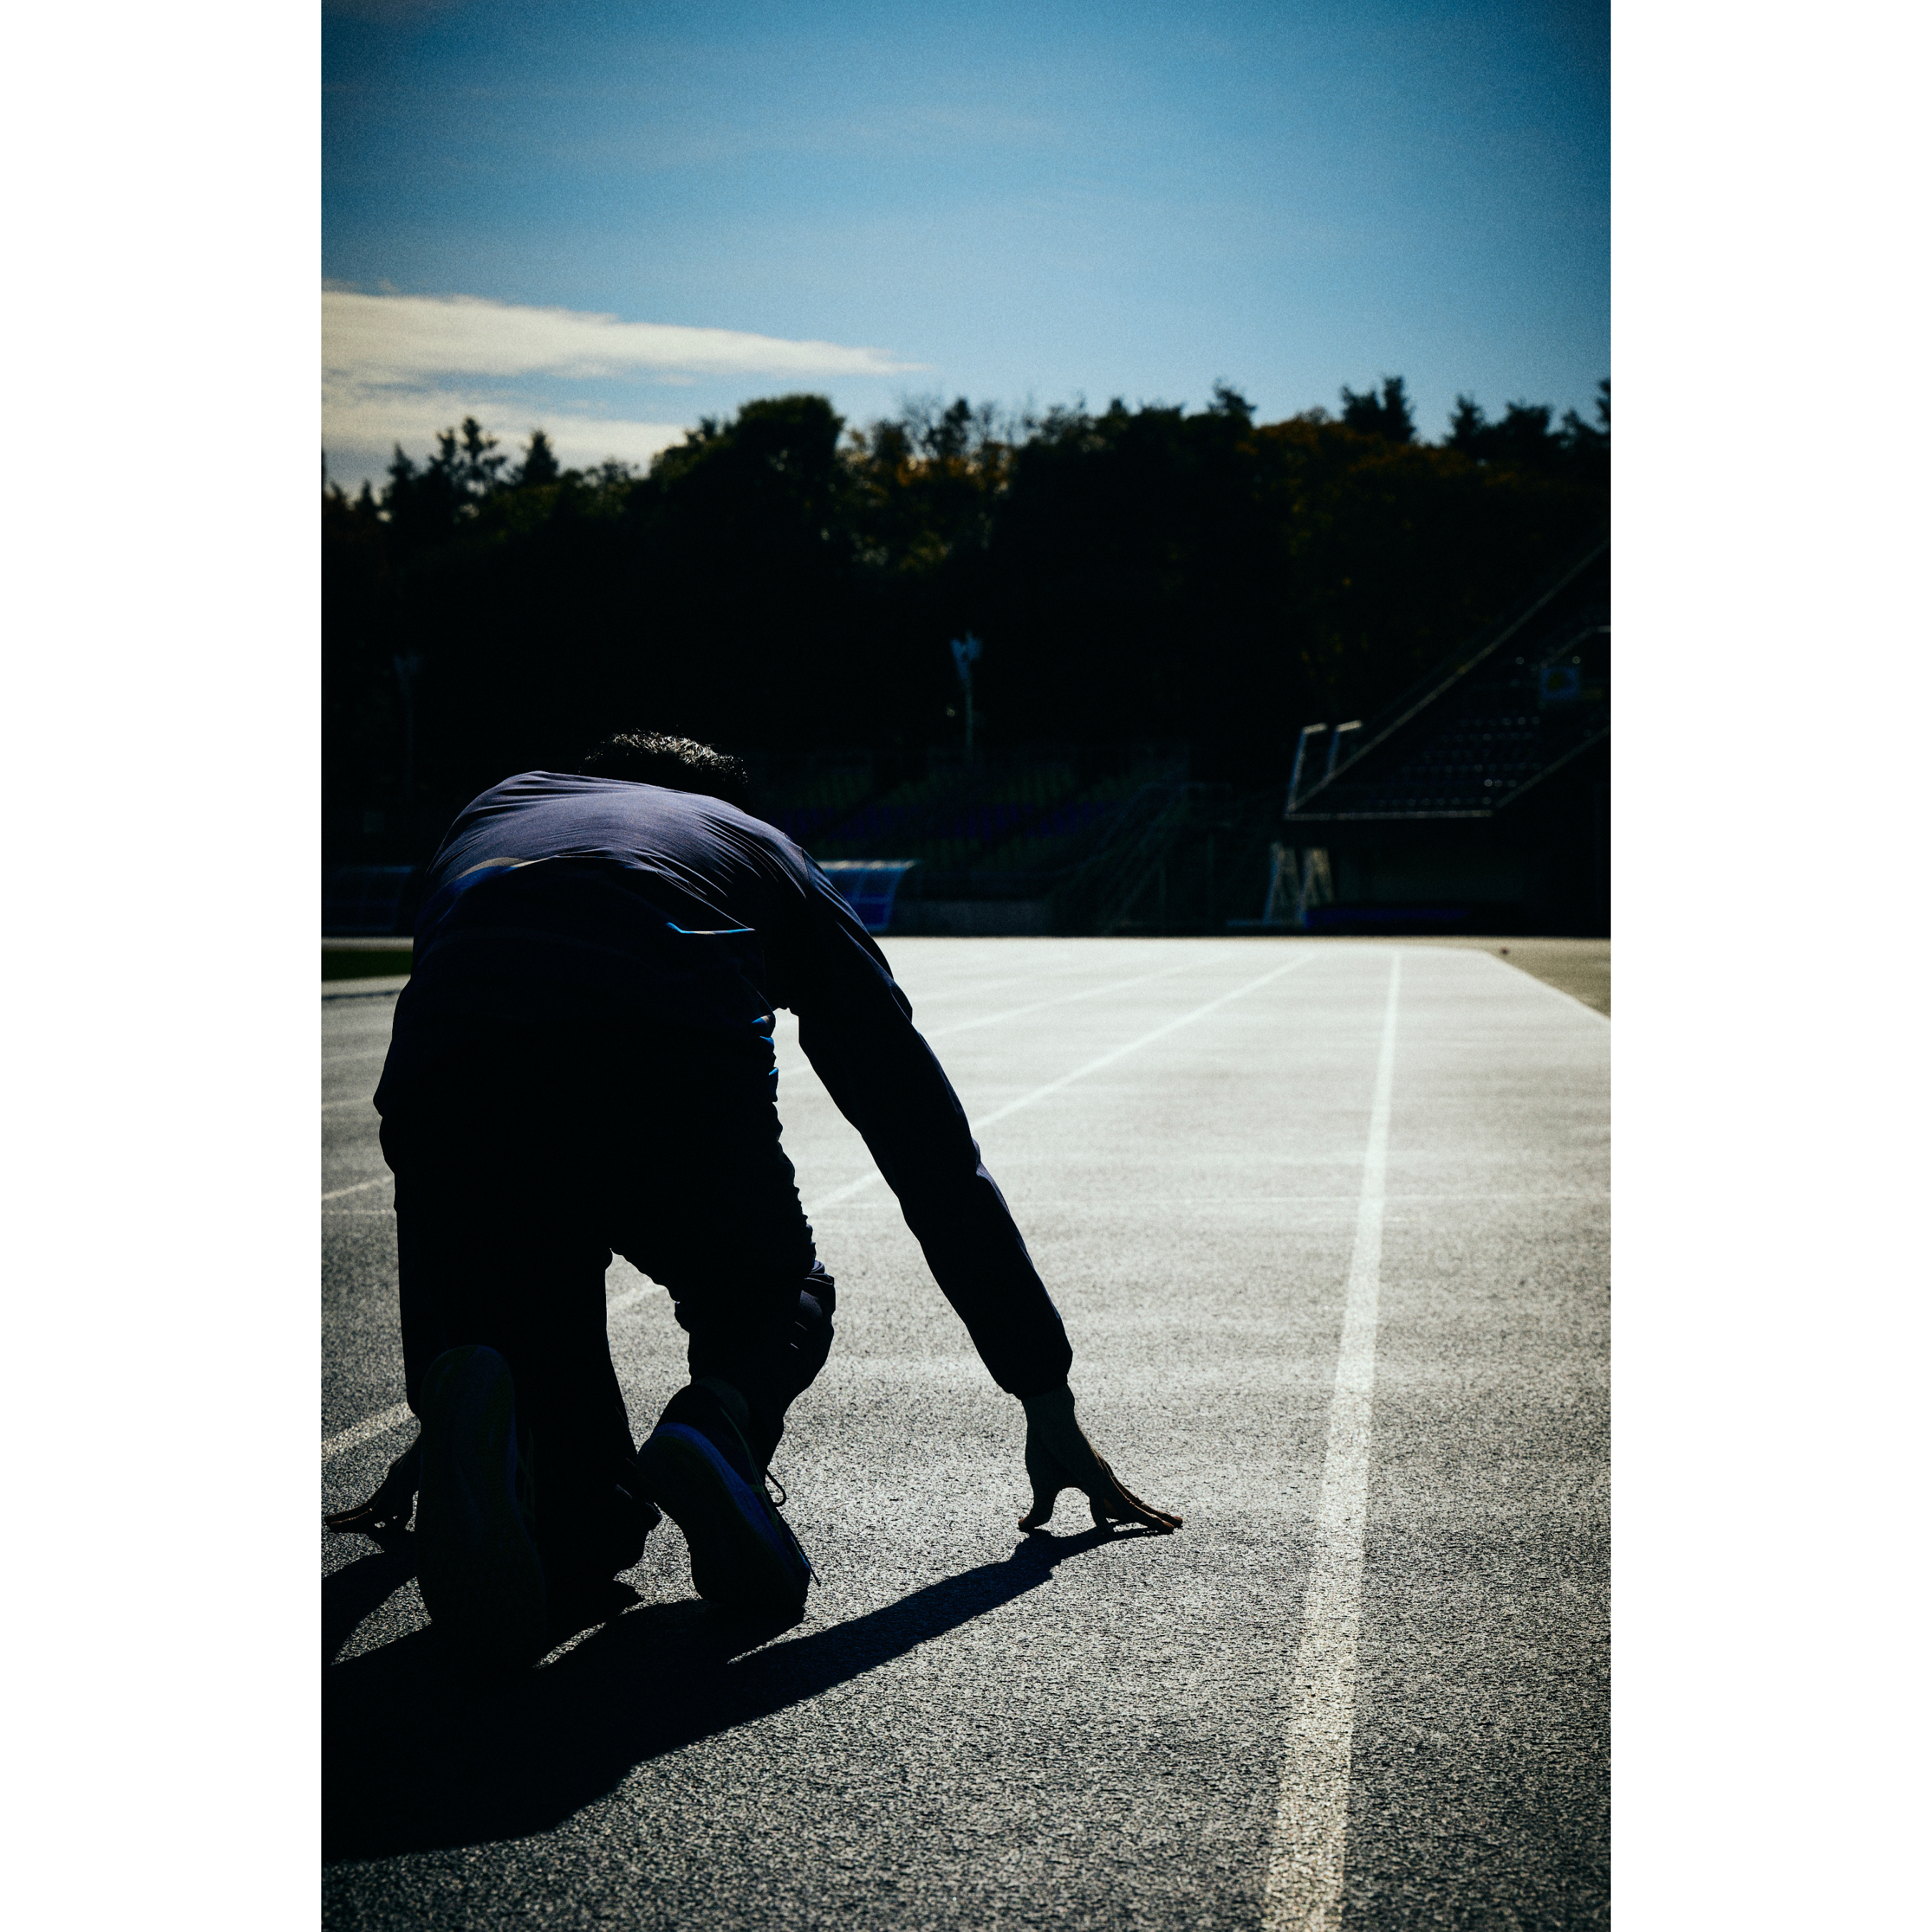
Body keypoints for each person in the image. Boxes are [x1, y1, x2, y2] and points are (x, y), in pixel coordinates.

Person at [326, 732, 1180, 1666]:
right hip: (663, 1054)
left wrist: (443, 1379)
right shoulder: (762, 851)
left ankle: (504, 1427)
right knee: (774, 1296)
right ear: (727, 804)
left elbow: (437, 1119)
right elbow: (925, 1143)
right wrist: (1041, 1387)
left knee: (585, 1525)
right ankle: (718, 1417)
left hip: (456, 1076)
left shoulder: (494, 812)